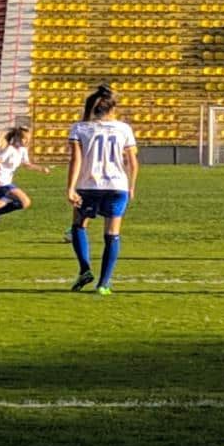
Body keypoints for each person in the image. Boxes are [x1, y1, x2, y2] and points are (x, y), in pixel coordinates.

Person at [66, 84, 138, 295]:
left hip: (88, 185)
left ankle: (85, 269)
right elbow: (132, 161)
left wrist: (71, 188)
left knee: (79, 225)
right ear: (113, 109)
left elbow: (76, 159)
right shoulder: (124, 128)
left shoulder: (80, 128)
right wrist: (131, 185)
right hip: (117, 186)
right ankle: (104, 284)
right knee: (112, 234)